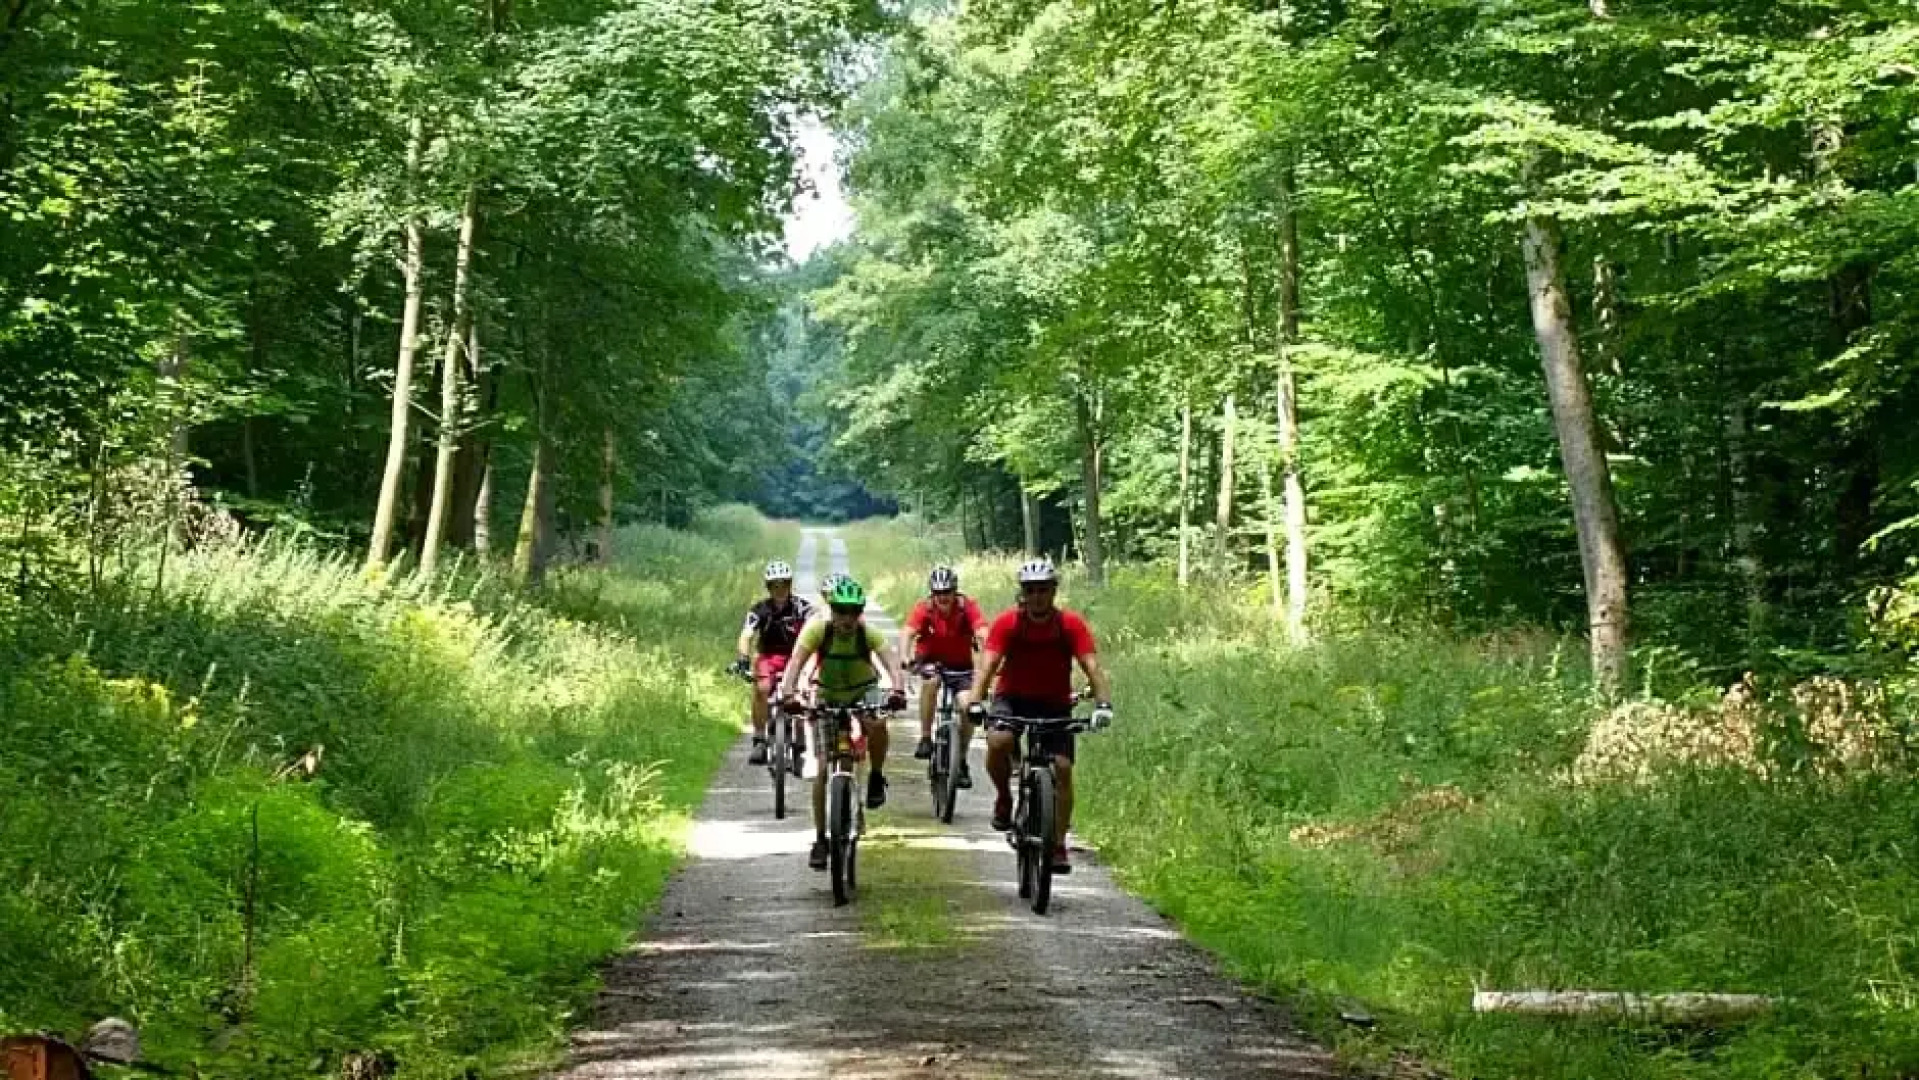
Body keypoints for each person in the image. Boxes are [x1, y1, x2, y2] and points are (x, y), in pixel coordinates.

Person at [963, 559, 1114, 875]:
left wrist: (1103, 705)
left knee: (1062, 768)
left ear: (1053, 591)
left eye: (1043, 590)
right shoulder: (1008, 623)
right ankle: (1004, 797)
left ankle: (1057, 844)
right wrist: (975, 701)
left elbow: (1092, 667)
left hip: (1054, 703)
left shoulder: (1069, 625)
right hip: (1012, 699)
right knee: (998, 741)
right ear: (1023, 593)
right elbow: (987, 666)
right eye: (1030, 591)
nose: (1037, 597)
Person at [778, 578, 908, 870]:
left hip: (863, 690)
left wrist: (898, 690)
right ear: (831, 610)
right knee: (823, 768)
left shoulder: (867, 632)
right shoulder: (817, 630)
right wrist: (788, 694)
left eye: (853, 612)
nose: (846, 619)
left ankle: (876, 776)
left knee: (878, 723)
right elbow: (795, 663)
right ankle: (820, 838)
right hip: (827, 693)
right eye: (840, 611)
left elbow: (891, 662)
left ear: (860, 612)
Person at [903, 564, 985, 788]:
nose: (943, 597)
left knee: (968, 706)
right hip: (932, 661)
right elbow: (908, 632)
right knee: (931, 682)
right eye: (938, 593)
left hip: (962, 666)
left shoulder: (967, 607)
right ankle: (925, 737)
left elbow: (982, 632)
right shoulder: (925, 609)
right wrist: (905, 657)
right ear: (932, 594)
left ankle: (961, 759)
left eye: (947, 592)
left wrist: (987, 655)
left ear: (955, 592)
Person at [732, 560, 814, 766]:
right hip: (768, 657)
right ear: (769, 587)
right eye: (775, 585)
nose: (780, 589)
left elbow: (816, 627)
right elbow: (746, 635)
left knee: (800, 693)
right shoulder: (759, 609)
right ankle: (759, 739)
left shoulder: (802, 607)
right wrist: (743, 658)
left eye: (784, 584)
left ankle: (800, 738)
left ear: (790, 584)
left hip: (796, 657)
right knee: (762, 688)